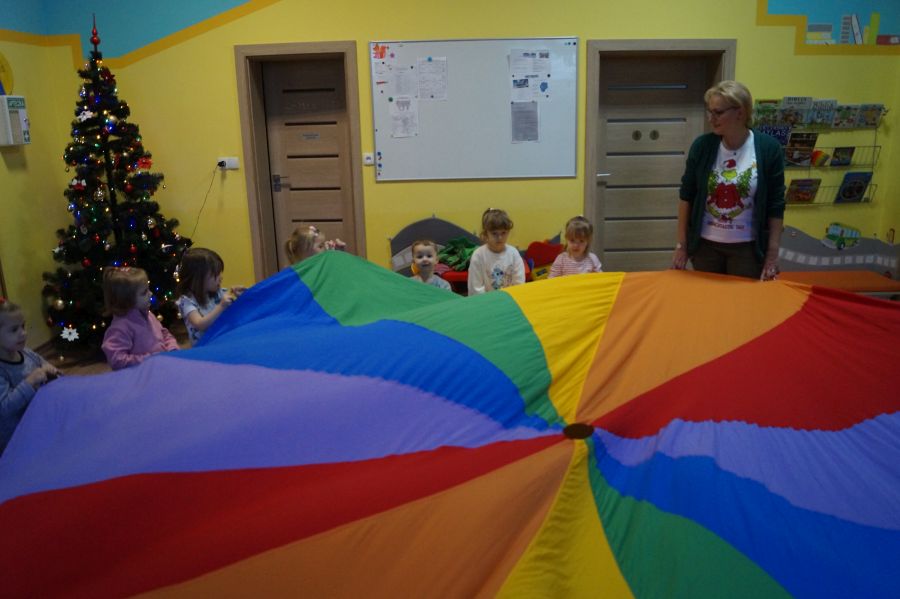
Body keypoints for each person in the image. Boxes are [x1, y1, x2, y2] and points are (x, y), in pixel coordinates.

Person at [672, 80, 785, 281]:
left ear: (740, 113)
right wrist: (682, 245)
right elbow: (686, 196)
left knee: (742, 299)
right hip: (705, 246)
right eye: (709, 111)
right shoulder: (702, 146)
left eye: (718, 112)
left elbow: (776, 204)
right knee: (708, 298)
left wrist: (772, 253)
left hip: (747, 249)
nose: (711, 118)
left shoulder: (769, 148)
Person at [0, 298, 61, 455]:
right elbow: (4, 409)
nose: (23, 333)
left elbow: (46, 366)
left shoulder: (26, 353)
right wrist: (29, 381)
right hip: (15, 441)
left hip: (39, 423)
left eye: (23, 326)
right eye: (14, 329)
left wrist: (52, 371)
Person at [101, 267, 179, 370]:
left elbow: (164, 333)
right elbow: (116, 360)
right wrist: (150, 359)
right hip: (143, 374)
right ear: (127, 300)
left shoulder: (149, 315)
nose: (150, 293)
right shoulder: (120, 327)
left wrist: (172, 348)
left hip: (161, 367)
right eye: (144, 292)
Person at [176, 248, 245, 346]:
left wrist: (238, 296)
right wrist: (221, 306)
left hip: (221, 339)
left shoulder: (217, 292)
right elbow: (200, 324)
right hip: (204, 347)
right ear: (198, 279)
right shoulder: (186, 301)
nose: (221, 278)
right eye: (215, 275)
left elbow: (232, 310)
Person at [468, 208, 525, 295]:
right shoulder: (478, 255)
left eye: (503, 233)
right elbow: (476, 288)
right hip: (487, 301)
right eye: (494, 233)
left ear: (508, 232)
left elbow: (519, 283)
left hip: (509, 299)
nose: (500, 238)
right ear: (486, 233)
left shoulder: (514, 254)